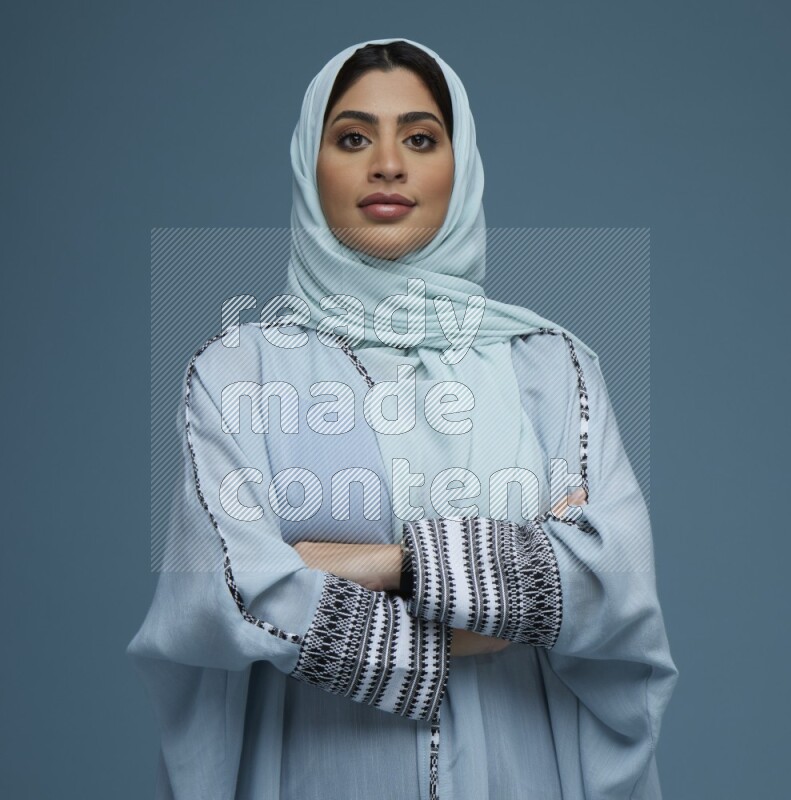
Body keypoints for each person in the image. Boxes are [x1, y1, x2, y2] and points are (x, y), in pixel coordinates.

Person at [128, 37, 679, 799]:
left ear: (462, 165)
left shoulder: (551, 367)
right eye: (353, 137)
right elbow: (224, 598)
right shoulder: (239, 372)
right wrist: (511, 597)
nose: (387, 164)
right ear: (308, 164)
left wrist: (389, 564)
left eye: (420, 138)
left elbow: (612, 586)